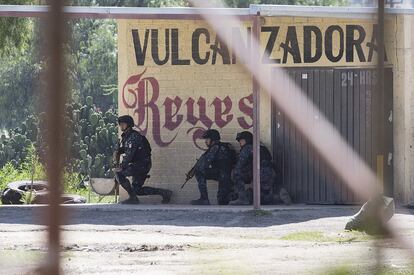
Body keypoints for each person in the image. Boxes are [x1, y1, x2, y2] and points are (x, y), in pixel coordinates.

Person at [113, 115, 172, 204]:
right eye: (120, 124)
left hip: (141, 165)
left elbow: (129, 155)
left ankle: (133, 198)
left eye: (123, 124)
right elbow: (128, 150)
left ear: (129, 124)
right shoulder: (127, 136)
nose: (121, 126)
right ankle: (164, 193)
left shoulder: (133, 137)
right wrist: (119, 151)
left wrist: (121, 166)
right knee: (137, 190)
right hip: (140, 164)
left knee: (119, 173)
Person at [229, 131, 276, 205]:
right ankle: (277, 196)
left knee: (235, 173)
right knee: (263, 199)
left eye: (242, 140)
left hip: (259, 173)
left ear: (247, 140)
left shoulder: (247, 148)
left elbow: (240, 165)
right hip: (270, 173)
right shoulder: (262, 147)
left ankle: (242, 199)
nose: (240, 142)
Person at [191, 129, 234, 205]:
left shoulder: (215, 147)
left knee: (198, 172)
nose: (205, 141)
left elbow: (205, 164)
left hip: (220, 174)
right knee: (222, 201)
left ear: (213, 139)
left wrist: (196, 168)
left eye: (207, 139)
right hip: (228, 176)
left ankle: (204, 199)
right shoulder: (226, 146)